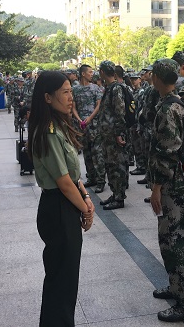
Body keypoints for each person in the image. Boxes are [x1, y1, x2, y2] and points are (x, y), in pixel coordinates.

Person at [27, 70, 94, 327]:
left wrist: (85, 197)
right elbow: (64, 182)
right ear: (47, 97)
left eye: (71, 92)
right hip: (57, 207)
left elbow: (73, 177)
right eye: (65, 92)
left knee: (66, 278)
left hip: (66, 203)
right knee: (61, 280)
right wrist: (85, 209)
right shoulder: (48, 131)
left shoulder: (59, 126)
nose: (70, 98)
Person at [149, 58, 184, 322]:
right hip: (174, 181)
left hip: (172, 183)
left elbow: (168, 151)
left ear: (157, 77)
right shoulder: (175, 103)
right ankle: (175, 286)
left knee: (175, 240)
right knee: (168, 237)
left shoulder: (169, 108)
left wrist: (156, 188)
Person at [97, 60, 129, 210]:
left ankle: (119, 197)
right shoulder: (109, 88)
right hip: (107, 135)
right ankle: (115, 193)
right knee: (110, 165)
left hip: (114, 135)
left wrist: (118, 133)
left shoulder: (116, 89)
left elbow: (120, 112)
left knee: (117, 166)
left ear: (102, 72)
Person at [72, 64, 106, 193]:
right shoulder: (75, 89)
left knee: (97, 153)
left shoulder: (95, 88)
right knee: (86, 153)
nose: (92, 74)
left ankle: (101, 180)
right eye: (90, 72)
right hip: (82, 126)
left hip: (94, 125)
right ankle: (91, 177)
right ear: (83, 74)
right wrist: (79, 119)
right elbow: (73, 107)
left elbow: (98, 105)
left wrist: (90, 118)